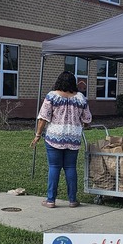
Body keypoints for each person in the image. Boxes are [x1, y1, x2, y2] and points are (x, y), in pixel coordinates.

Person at [32, 71, 93, 208]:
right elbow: (87, 119)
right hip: (73, 137)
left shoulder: (52, 96)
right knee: (70, 167)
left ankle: (50, 200)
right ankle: (72, 200)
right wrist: (82, 124)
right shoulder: (81, 98)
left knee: (54, 167)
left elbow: (43, 118)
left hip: (55, 136)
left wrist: (38, 135)